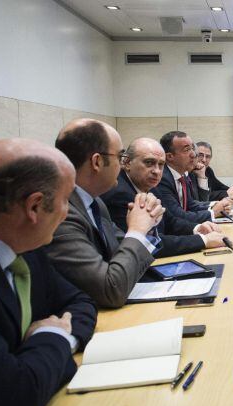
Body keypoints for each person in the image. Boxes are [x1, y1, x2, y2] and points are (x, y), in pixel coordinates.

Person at [0, 138, 97, 406]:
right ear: (35, 206)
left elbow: (80, 301)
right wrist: (53, 338)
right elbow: (15, 398)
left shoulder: (26, 246)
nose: (67, 212)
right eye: (65, 200)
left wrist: (59, 340)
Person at [44, 119, 164, 309]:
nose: (122, 164)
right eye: (120, 156)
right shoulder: (60, 213)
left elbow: (121, 252)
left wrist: (147, 223)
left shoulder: (95, 202)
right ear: (97, 162)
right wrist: (138, 231)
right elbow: (110, 290)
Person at [101, 137, 228, 258]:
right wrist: (203, 240)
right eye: (149, 162)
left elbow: (169, 221)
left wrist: (197, 228)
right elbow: (147, 244)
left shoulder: (151, 185)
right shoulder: (119, 194)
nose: (156, 171)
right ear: (127, 162)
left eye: (161, 164)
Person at [154, 131, 233, 223]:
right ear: (170, 156)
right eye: (187, 150)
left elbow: (190, 204)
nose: (193, 154)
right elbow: (177, 216)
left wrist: (215, 204)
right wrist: (213, 212)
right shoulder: (162, 179)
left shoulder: (182, 174)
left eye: (192, 148)